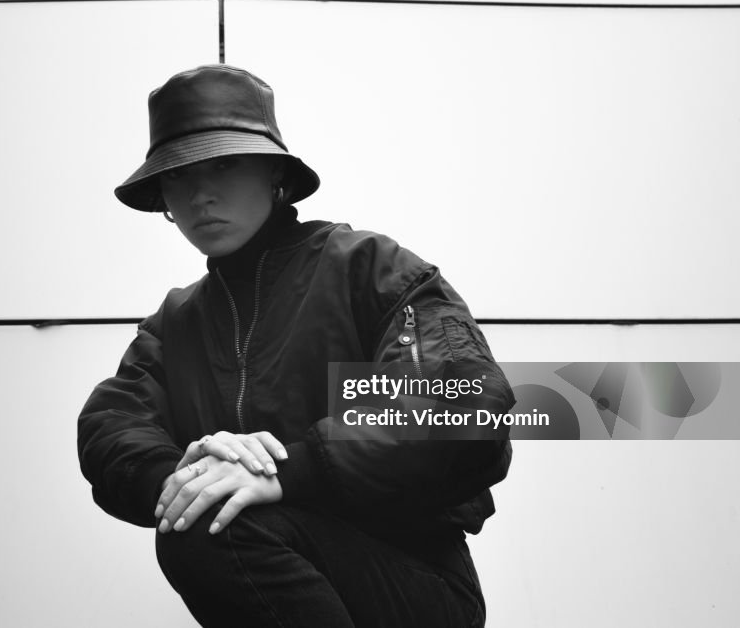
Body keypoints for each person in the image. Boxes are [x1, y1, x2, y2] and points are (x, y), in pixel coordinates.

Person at [77, 64, 514, 627]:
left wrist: (287, 469)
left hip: (414, 582)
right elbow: (111, 424)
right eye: (179, 177)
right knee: (207, 514)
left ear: (275, 177)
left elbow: (461, 401)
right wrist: (181, 474)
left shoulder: (367, 269)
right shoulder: (176, 322)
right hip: (276, 571)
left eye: (225, 164)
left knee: (220, 522)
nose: (201, 194)